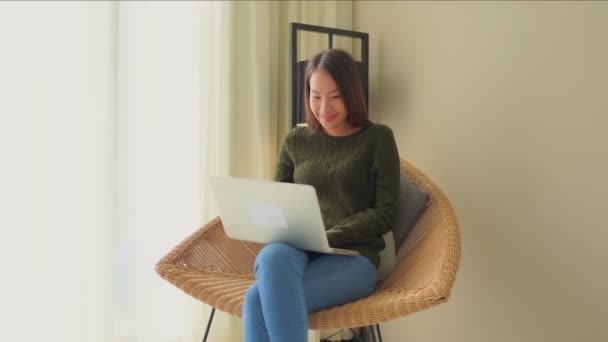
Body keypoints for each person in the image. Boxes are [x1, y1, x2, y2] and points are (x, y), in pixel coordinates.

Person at [242, 49, 400, 342]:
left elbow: (387, 211)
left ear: (351, 93)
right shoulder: (295, 140)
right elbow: (279, 202)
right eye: (315, 96)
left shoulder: (378, 138)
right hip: (298, 249)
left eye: (335, 96)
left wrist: (330, 236)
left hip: (354, 257)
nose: (324, 106)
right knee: (271, 256)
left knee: (256, 301)